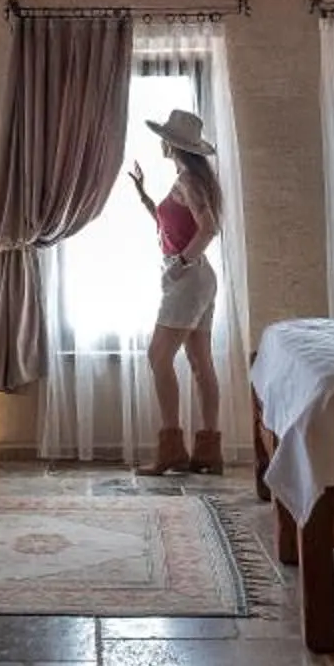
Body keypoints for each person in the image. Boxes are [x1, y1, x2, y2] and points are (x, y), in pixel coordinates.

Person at [124, 108, 225, 477]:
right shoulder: (190, 180)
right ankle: (209, 452)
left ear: (173, 144)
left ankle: (171, 451)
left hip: (190, 277)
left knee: (158, 356)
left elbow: (208, 228)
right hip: (200, 277)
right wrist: (145, 197)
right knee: (200, 362)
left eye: (165, 138)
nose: (162, 143)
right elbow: (173, 224)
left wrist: (180, 264)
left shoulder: (187, 181)